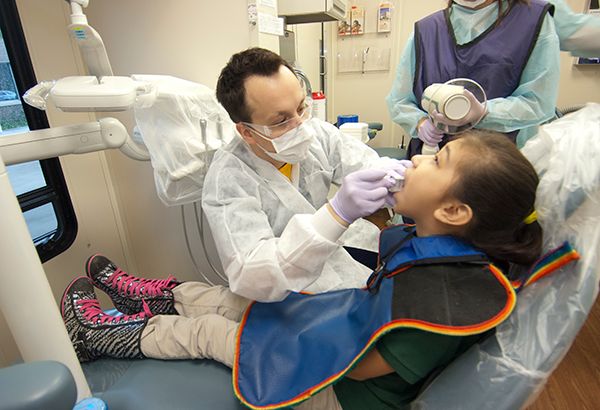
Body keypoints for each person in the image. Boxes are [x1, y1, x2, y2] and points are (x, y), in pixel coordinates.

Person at [62, 130, 551, 409]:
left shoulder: (450, 300)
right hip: (339, 334)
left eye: (437, 160)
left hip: (340, 393)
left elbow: (361, 370)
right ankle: (143, 299)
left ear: (454, 213)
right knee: (237, 299)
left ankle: (98, 336)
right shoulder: (437, 248)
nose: (417, 159)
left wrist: (298, 331)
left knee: (211, 331)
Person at [204, 47, 407, 302]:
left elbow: (370, 166)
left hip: (343, 252)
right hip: (286, 292)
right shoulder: (228, 180)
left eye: (301, 108)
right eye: (281, 121)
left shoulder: (318, 135)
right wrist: (335, 215)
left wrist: (404, 175)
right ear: (246, 132)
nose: (300, 126)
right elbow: (252, 275)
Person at [387, 0, 561, 156]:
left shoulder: (531, 20)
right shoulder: (426, 30)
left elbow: (539, 102)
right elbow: (399, 100)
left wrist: (485, 112)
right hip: (433, 159)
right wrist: (420, 122)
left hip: (496, 163)